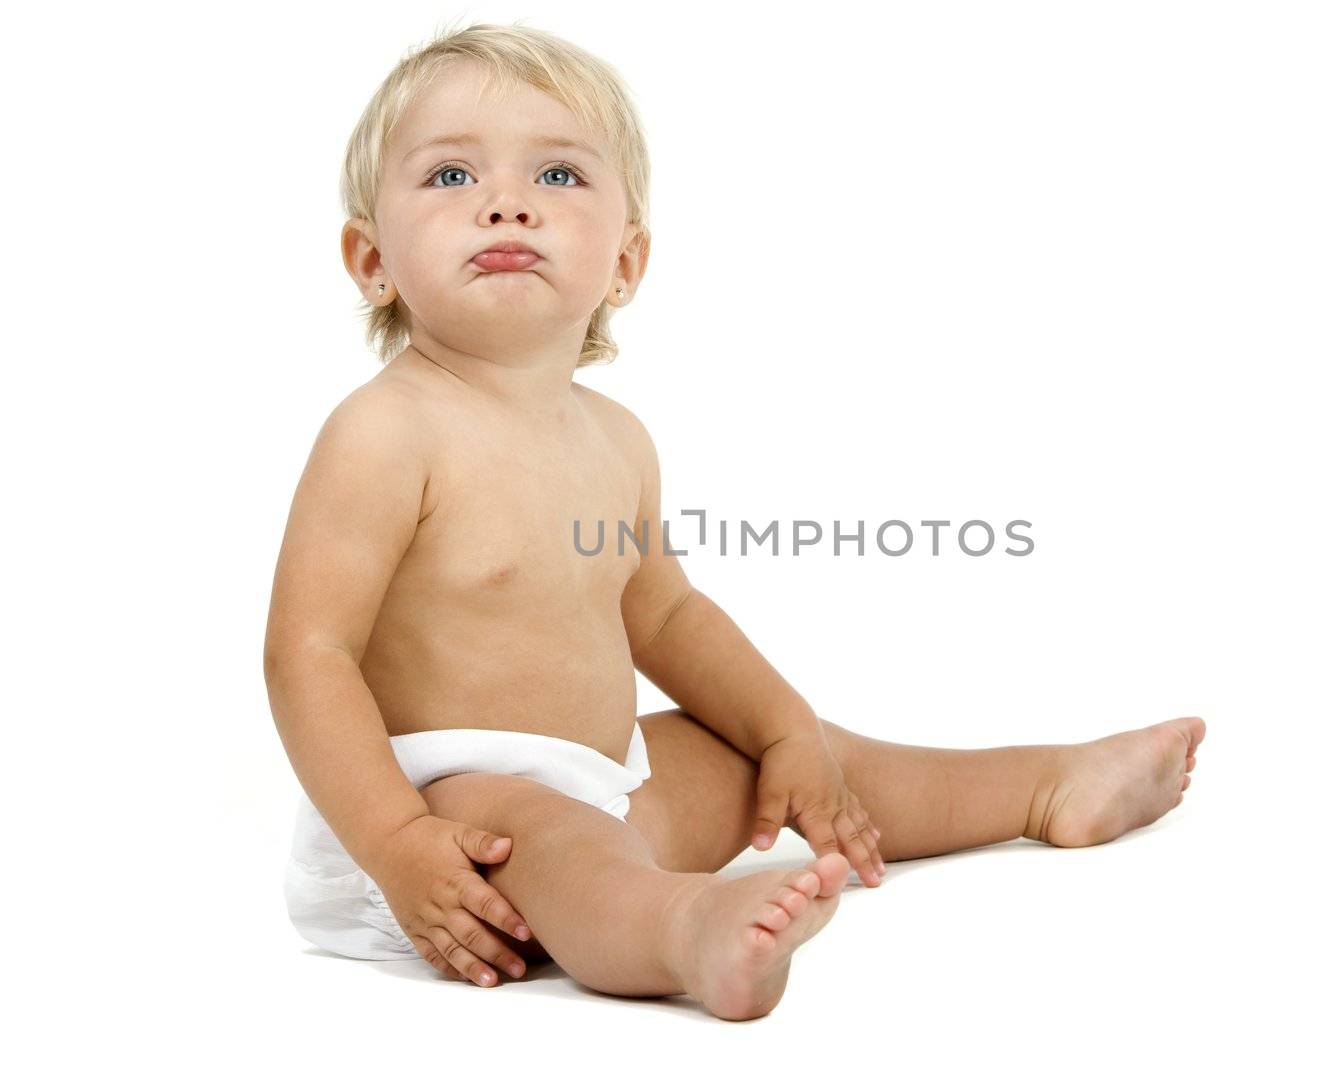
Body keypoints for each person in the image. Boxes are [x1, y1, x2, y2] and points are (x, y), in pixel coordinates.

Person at [263, 22, 1204, 1022]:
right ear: (370, 258)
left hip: (610, 782)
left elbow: (663, 615)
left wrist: (785, 726)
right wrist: (396, 840)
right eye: (450, 176)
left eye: (559, 175)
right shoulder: (385, 432)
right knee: (551, 836)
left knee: (788, 760)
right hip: (453, 820)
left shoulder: (615, 437)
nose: (506, 200)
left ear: (624, 264)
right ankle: (688, 929)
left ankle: (1041, 785)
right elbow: (307, 651)